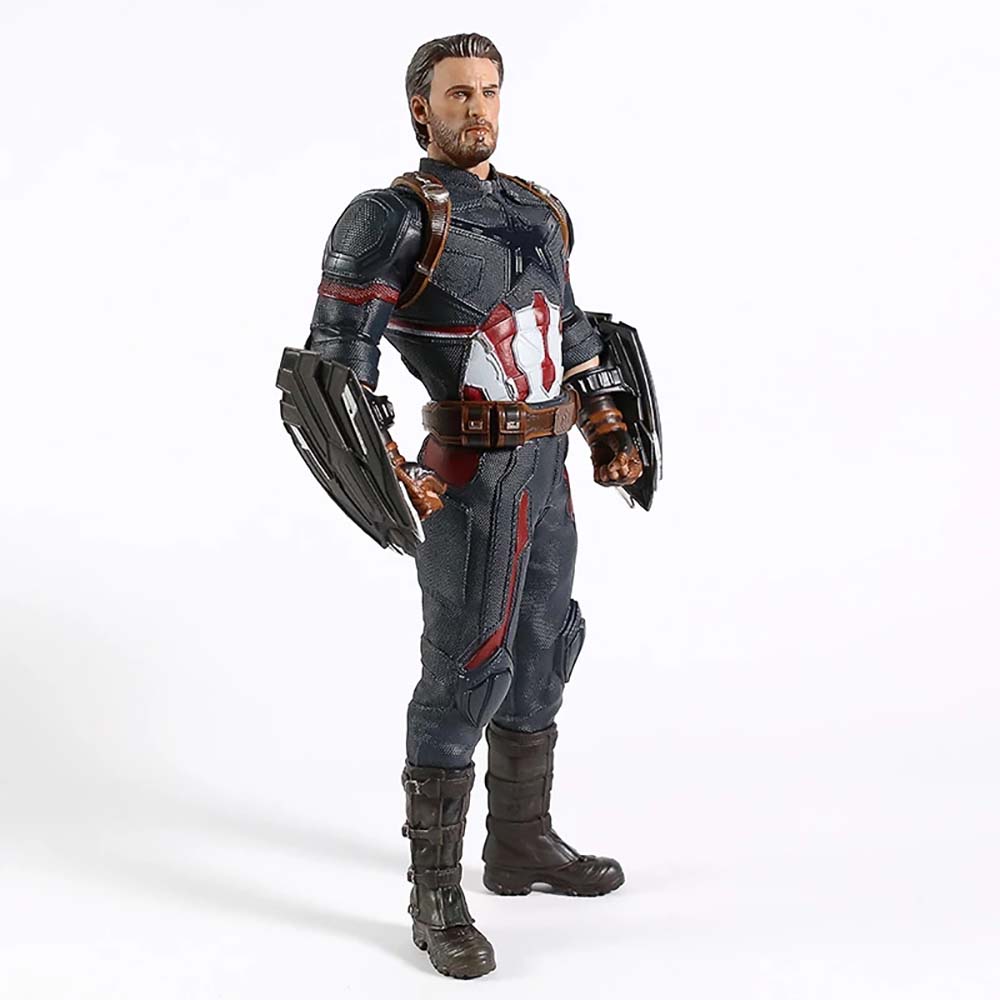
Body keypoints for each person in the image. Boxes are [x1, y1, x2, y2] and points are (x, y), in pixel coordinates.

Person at [302, 33, 648, 979]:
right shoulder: (392, 217)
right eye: (458, 94)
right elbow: (338, 362)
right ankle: (435, 895)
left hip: (546, 466)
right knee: (465, 670)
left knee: (544, 648)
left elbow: (570, 328)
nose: (477, 108)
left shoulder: (537, 209)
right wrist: (387, 466)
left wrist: (607, 422)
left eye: (489, 91)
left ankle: (521, 843)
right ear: (421, 108)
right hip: (465, 474)